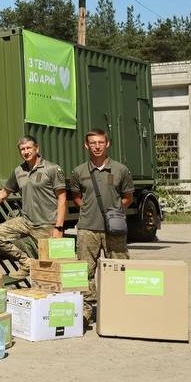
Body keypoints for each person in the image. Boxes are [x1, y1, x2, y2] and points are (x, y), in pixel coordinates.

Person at [68, 129, 134, 327]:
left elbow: (128, 196)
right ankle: (86, 311)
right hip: (88, 228)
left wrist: (115, 214)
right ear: (86, 146)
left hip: (114, 230)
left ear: (108, 144)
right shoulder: (79, 172)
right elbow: (76, 196)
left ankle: (120, 307)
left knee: (120, 268)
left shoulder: (120, 170)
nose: (97, 146)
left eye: (100, 143)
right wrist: (88, 209)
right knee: (84, 271)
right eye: (93, 143)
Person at [0, 135, 68, 281]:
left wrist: (59, 227)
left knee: (49, 271)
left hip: (46, 225)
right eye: (22, 149)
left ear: (37, 148)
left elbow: (62, 199)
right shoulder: (19, 171)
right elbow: (4, 193)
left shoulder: (52, 169)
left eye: (29, 148)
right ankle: (26, 262)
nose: (26, 152)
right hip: (25, 221)